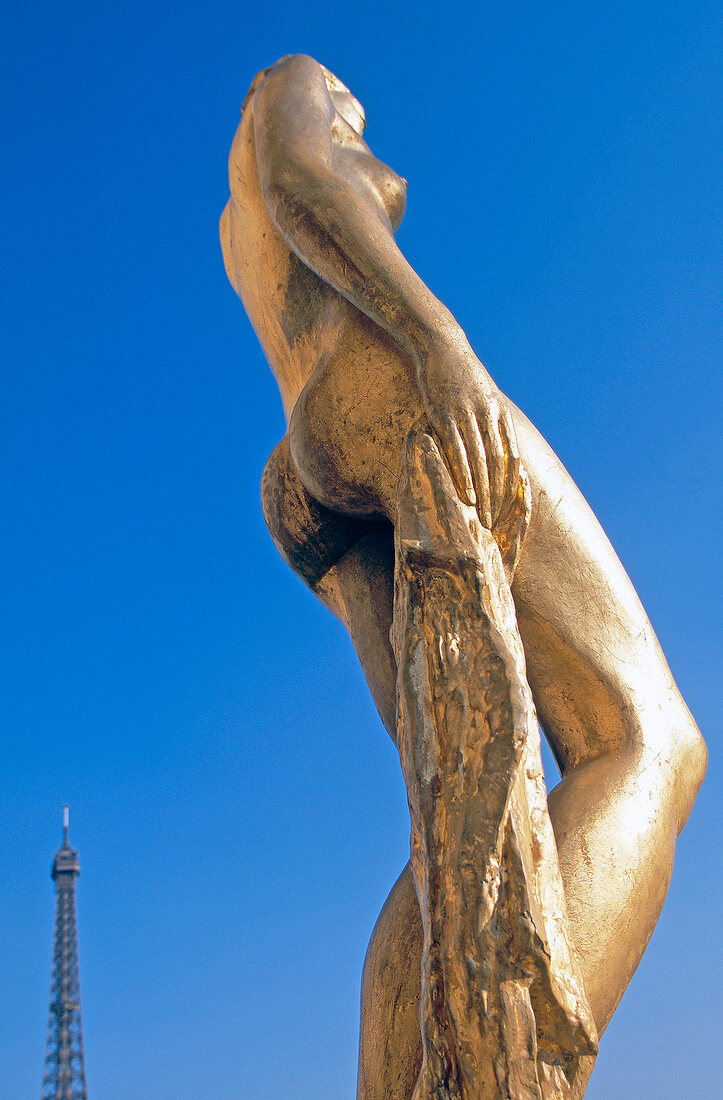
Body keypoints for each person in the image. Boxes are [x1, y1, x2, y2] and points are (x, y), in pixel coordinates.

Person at [220, 54, 706, 1099]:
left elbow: (279, 210)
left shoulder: (227, 225)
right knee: (651, 740)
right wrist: (440, 342)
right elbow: (306, 180)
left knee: (457, 816)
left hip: (306, 465)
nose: (358, 107)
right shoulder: (292, 86)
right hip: (379, 378)